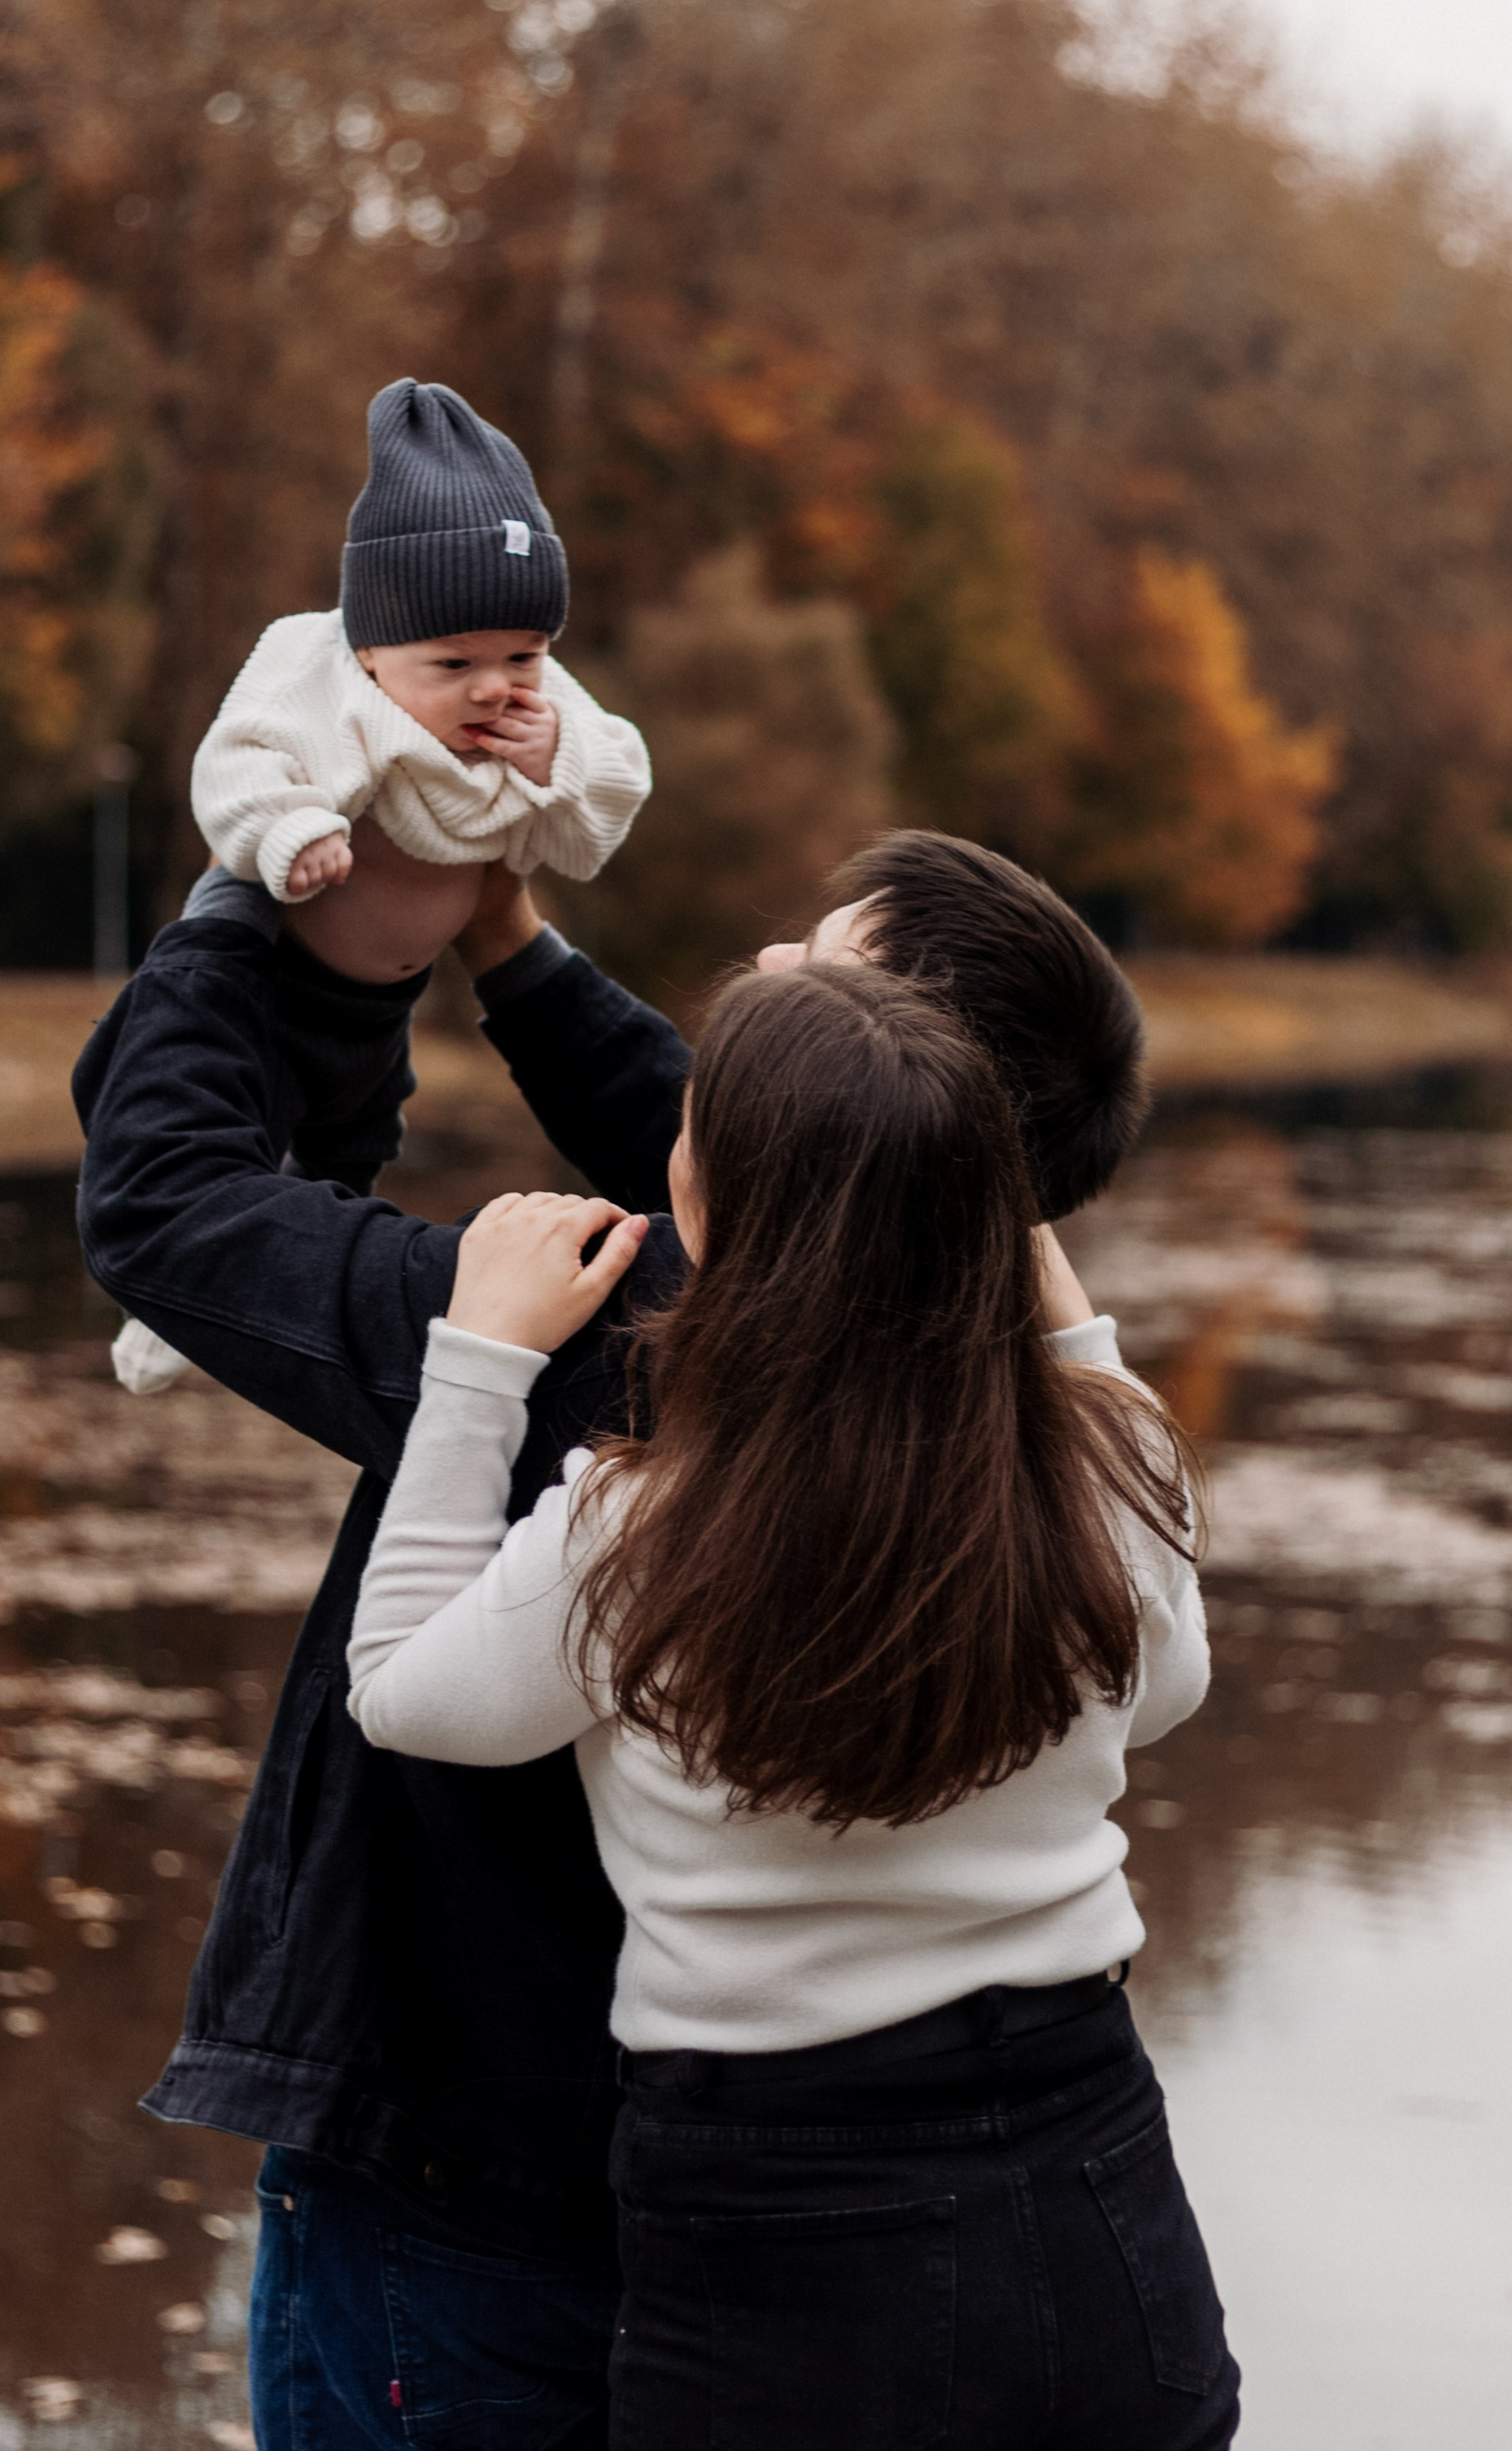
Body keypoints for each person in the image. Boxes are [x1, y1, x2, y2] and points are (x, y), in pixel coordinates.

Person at [72, 831, 1152, 2449]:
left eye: (811, 968)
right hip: (806, 2223)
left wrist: (244, 882)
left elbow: (162, 1192)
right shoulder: (1034, 1416)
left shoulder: (575, 1354)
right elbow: (752, 1162)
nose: (763, 974)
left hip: (461, 2206)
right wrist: (507, 944)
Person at [347, 963, 1237, 2445]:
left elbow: (405, 1695)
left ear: (715, 1213)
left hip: (782, 2231)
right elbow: (1170, 1690)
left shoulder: (638, 1531)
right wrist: (1043, 1292)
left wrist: (480, 1358)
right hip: (1095, 2188)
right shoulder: (1101, 1462)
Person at [110, 377, 648, 1395]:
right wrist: (294, 832)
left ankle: (234, 1311)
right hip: (272, 983)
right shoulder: (314, 678)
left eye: (523, 659)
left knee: (349, 1156)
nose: (496, 688)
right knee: (214, 1144)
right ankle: (164, 1307)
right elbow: (236, 765)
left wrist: (556, 757)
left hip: (381, 1010)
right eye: (453, 664)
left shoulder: (540, 700)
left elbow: (608, 803)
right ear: (369, 649)